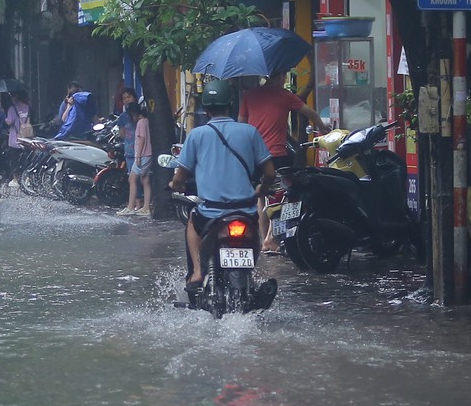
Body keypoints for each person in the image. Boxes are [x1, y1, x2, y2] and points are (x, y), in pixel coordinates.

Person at [170, 79, 277, 304]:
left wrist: (175, 186)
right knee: (254, 234)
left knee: (191, 220)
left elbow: (180, 177)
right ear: (231, 104)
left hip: (211, 213)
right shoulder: (250, 132)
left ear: (205, 108)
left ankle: (198, 272)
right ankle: (251, 277)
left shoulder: (197, 135)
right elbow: (270, 173)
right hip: (245, 211)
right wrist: (261, 190)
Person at [238, 70, 322, 250]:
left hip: (253, 156)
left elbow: (241, 124)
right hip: (275, 155)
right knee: (282, 196)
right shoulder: (285, 96)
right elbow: (310, 113)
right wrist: (323, 128)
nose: (285, 80)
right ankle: (271, 237)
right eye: (284, 76)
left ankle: (264, 241)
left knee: (261, 196)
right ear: (278, 77)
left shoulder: (249, 96)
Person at [122, 100, 153, 215]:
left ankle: (131, 207)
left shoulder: (141, 123)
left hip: (143, 154)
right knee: (145, 180)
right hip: (147, 154)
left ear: (134, 114)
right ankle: (145, 208)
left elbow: (142, 139)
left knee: (132, 179)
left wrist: (138, 155)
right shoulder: (147, 121)